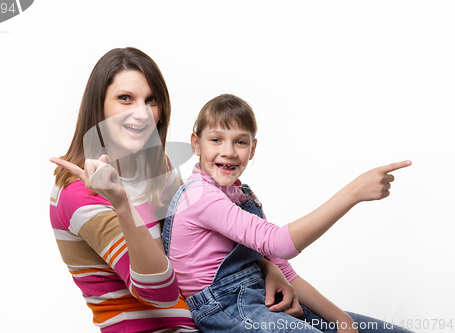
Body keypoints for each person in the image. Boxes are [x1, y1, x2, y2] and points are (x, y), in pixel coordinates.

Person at [49, 48, 297, 333]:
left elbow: (197, 250)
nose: (141, 114)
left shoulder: (158, 168)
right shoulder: (77, 193)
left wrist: (267, 269)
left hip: (220, 315)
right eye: (125, 98)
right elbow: (159, 293)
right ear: (99, 105)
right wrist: (122, 204)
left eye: (151, 100)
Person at [162, 93, 414, 332]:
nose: (228, 151)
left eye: (240, 141)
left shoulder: (243, 195)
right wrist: (353, 193)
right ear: (196, 143)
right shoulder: (199, 195)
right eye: (216, 139)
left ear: (253, 149)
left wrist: (342, 319)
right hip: (224, 308)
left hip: (259, 295)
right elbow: (278, 243)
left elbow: (282, 266)